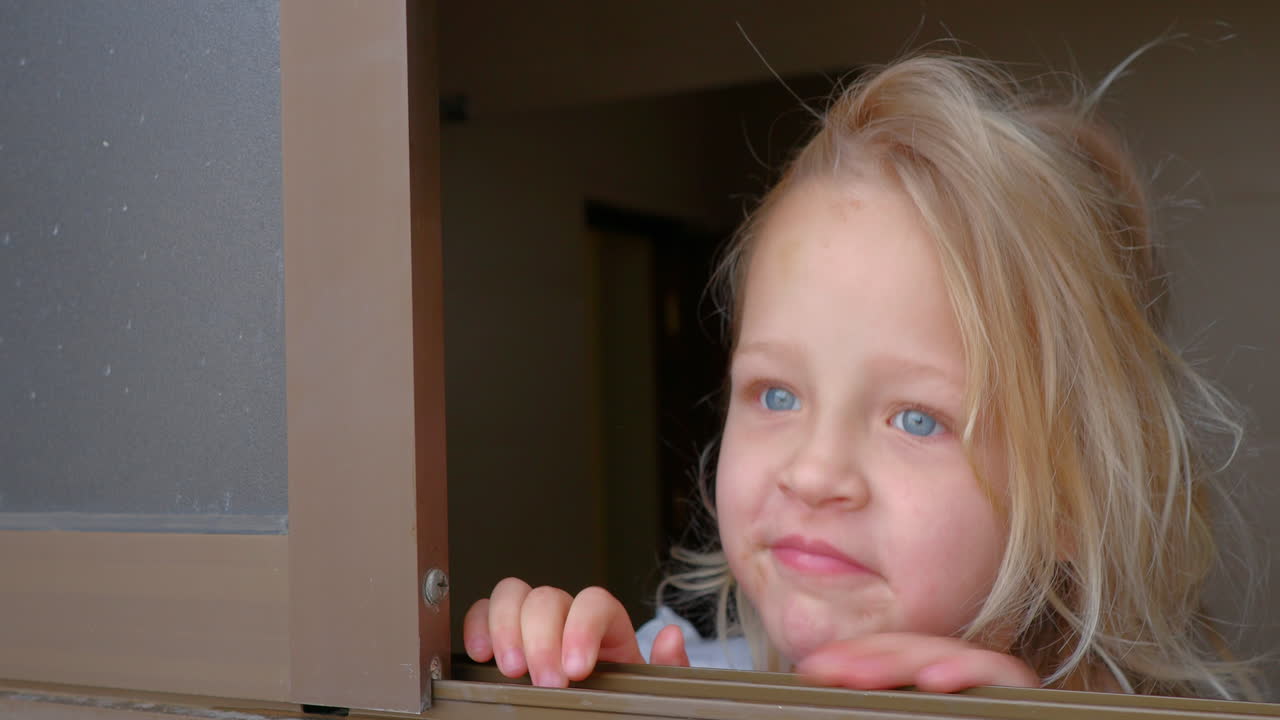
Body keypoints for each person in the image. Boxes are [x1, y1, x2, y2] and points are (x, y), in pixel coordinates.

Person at [462, 51, 1259, 698]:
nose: (814, 473)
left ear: (1071, 494)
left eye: (917, 417)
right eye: (777, 394)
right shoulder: (665, 667)